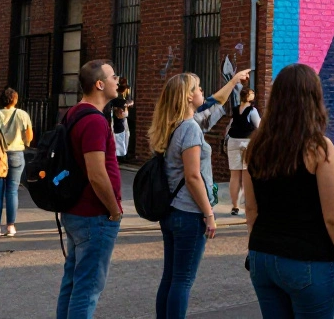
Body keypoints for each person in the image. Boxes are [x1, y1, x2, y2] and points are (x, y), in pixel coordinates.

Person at [245, 63, 334, 317]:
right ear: (313, 100)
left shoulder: (256, 145)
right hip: (307, 259)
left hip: (262, 255)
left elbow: (251, 210)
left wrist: (261, 246)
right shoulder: (318, 147)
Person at [56, 60, 124, 319]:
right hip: (93, 214)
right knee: (87, 288)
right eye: (113, 76)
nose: (117, 80)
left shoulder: (74, 112)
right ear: (99, 84)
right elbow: (97, 173)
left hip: (76, 211)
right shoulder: (94, 121)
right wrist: (114, 210)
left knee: (73, 282)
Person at [149, 73, 217, 319]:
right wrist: (209, 214)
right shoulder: (189, 128)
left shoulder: (172, 126)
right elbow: (193, 176)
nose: (202, 91)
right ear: (189, 97)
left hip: (171, 211)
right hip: (189, 213)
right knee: (182, 280)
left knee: (171, 277)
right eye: (198, 88)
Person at [0, 86, 33, 238]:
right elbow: (29, 137)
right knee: (12, 191)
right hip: (16, 154)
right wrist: (23, 141)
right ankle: (11, 226)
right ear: (15, 99)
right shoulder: (23, 115)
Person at [223, 87, 260, 216]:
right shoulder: (252, 110)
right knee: (246, 175)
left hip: (233, 141)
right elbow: (258, 126)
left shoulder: (235, 109)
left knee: (234, 175)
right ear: (249, 97)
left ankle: (235, 206)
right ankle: (247, 204)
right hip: (246, 142)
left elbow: (229, 126)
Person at [108, 77, 133, 159]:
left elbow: (130, 100)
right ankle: (119, 154)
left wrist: (127, 103)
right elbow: (113, 102)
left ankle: (123, 153)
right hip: (116, 116)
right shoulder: (114, 91)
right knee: (117, 135)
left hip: (123, 115)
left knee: (126, 134)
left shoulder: (127, 89)